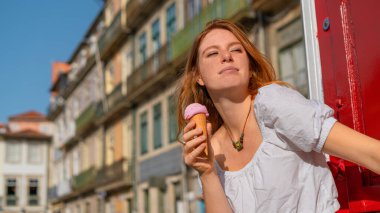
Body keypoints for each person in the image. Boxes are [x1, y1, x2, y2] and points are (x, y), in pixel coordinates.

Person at [176, 19, 380, 213]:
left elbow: (371, 153)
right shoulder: (211, 150)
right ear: (199, 77)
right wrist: (207, 172)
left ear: (249, 68)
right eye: (212, 53)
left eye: (236, 49)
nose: (226, 56)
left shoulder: (273, 102)